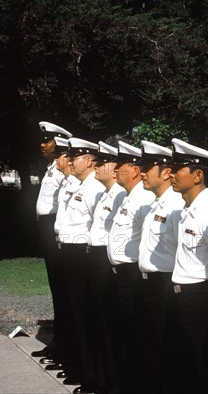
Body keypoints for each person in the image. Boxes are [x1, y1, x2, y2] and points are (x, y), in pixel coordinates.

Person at [170, 138, 208, 394]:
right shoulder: (188, 209)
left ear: (198, 175)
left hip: (200, 297)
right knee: (186, 363)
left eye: (178, 168)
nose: (171, 173)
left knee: (204, 362)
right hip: (185, 295)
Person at [58, 138, 106, 394]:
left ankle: (91, 375)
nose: (69, 161)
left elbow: (93, 229)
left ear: (88, 160)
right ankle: (80, 369)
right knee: (76, 314)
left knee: (86, 317)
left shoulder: (94, 188)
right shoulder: (80, 186)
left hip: (81, 255)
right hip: (70, 252)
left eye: (75, 157)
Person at [137, 140, 185, 394]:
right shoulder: (156, 203)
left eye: (148, 167)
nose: (142, 173)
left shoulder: (176, 206)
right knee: (151, 348)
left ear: (166, 172)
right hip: (149, 283)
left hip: (165, 285)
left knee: (167, 351)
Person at [107, 141, 155, 394]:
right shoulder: (129, 197)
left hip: (134, 274)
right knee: (126, 333)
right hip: (123, 274)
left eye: (121, 166)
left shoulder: (145, 198)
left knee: (137, 336)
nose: (116, 170)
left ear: (135, 170)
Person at [86, 141, 126, 394]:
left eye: (102, 163)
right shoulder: (107, 195)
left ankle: (114, 383)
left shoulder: (122, 195)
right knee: (100, 322)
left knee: (114, 327)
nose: (96, 168)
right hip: (99, 258)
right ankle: (104, 380)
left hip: (111, 264)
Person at [33, 121, 72, 362]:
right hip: (47, 228)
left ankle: (63, 345)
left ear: (58, 142)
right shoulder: (51, 167)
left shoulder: (62, 168)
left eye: (47, 141)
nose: (42, 144)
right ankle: (59, 342)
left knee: (63, 290)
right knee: (57, 290)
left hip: (55, 228)